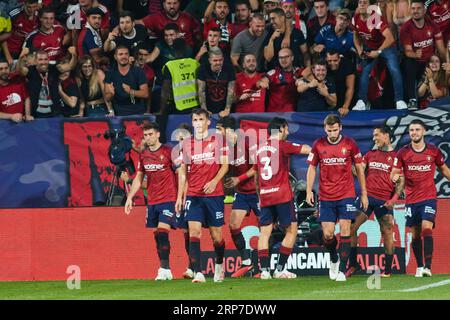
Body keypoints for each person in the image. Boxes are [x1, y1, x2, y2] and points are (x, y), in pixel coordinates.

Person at [306, 114, 368, 282]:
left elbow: (360, 169)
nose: (332, 133)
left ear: (340, 127)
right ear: (325, 129)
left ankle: (341, 270)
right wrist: (308, 191)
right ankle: (334, 258)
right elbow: (312, 168)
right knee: (328, 235)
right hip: (326, 196)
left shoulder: (350, 144)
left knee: (346, 231)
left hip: (346, 195)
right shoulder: (318, 144)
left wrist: (363, 193)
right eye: (329, 130)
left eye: (335, 130)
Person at [175, 108, 229, 283]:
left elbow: (225, 166)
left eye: (201, 119)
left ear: (208, 122)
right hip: (193, 194)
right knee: (194, 232)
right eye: (195, 120)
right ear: (192, 123)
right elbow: (182, 172)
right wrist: (179, 197)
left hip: (214, 194)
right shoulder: (186, 144)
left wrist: (214, 181)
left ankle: (219, 265)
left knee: (216, 236)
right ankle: (198, 272)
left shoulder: (218, 140)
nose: (198, 123)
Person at [253, 117, 311, 279]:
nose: (288, 132)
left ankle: (264, 271)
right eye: (286, 129)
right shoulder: (283, 145)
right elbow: (307, 149)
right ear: (280, 129)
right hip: (282, 195)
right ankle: (280, 269)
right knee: (291, 230)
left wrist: (260, 196)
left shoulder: (258, 149)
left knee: (264, 233)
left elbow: (256, 177)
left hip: (265, 196)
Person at [391, 119, 450, 277]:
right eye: (411, 130)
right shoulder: (403, 152)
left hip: (429, 197)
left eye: (417, 129)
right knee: (416, 234)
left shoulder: (433, 151)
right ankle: (419, 266)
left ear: (423, 131)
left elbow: (444, 170)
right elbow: (394, 173)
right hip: (411, 200)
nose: (414, 132)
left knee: (426, 228)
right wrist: (396, 178)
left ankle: (428, 267)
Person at [345, 125, 404, 278]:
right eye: (373, 136)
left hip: (384, 201)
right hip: (367, 198)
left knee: (387, 233)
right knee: (351, 228)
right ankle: (353, 264)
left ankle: (388, 270)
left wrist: (394, 199)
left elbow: (401, 181)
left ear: (386, 136)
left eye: (377, 135)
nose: (374, 138)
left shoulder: (397, 157)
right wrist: (349, 162)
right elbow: (359, 171)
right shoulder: (370, 154)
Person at [125, 122, 178, 281]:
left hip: (169, 198)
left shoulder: (169, 151)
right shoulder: (143, 155)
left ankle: (164, 269)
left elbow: (180, 172)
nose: (148, 138)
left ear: (158, 134)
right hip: (152, 201)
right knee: (157, 235)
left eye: (150, 134)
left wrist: (181, 196)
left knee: (162, 232)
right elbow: (139, 177)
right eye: (145, 136)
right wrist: (130, 197)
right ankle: (165, 268)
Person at [217, 116, 261, 278]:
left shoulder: (247, 143)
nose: (217, 133)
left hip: (256, 192)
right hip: (242, 193)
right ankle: (247, 261)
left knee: (267, 227)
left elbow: (256, 168)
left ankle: (263, 266)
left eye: (219, 129)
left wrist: (238, 179)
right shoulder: (224, 148)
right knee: (233, 225)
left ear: (229, 130)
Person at [352, 0, 407, 110]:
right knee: (365, 71)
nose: (362, 4)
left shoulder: (375, 18)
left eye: (365, 3)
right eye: (360, 2)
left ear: (370, 6)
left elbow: (390, 38)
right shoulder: (355, 18)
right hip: (370, 47)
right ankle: (361, 101)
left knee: (394, 69)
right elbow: (356, 35)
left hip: (386, 47)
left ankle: (399, 101)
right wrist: (359, 50)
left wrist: (378, 52)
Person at [400, 0, 446, 110]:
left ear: (424, 10)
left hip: (429, 61)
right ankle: (412, 100)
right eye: (413, 8)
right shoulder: (406, 28)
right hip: (415, 61)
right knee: (408, 63)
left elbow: (441, 48)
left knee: (442, 65)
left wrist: (446, 63)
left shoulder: (432, 25)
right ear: (410, 10)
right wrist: (415, 55)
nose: (416, 11)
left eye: (419, 8)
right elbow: (407, 51)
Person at [17, 47, 77, 118]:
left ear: (48, 60)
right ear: (36, 61)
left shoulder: (54, 69)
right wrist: (21, 57)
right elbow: (20, 70)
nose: (43, 62)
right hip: (36, 115)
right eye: (40, 59)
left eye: (45, 59)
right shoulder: (31, 71)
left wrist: (74, 55)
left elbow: (70, 67)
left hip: (55, 113)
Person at [104, 45, 149, 116]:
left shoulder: (138, 71)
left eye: (126, 54)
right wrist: (111, 94)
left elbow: (145, 94)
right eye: (120, 54)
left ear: (129, 56)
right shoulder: (110, 73)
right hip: (119, 114)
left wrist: (131, 91)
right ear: (115, 57)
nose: (124, 57)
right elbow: (107, 98)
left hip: (137, 113)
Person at [261, 48, 303, 112]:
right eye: (280, 57)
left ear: (292, 58)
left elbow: (310, 70)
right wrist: (263, 82)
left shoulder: (298, 71)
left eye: (286, 57)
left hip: (290, 115)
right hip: (272, 114)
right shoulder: (274, 72)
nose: (283, 60)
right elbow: (264, 79)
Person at [197, 47, 236, 117]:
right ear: (209, 60)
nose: (218, 63)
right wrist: (204, 110)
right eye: (215, 60)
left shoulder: (229, 69)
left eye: (220, 60)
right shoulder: (203, 69)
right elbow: (201, 91)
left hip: (224, 109)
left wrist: (227, 109)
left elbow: (231, 91)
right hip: (208, 108)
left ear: (223, 59)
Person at [0, 0, 39, 67]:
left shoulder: (39, 17)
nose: (31, 10)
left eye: (34, 7)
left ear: (37, 5)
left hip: (25, 53)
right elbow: (4, 35)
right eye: (29, 7)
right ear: (24, 4)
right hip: (10, 51)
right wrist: (8, 56)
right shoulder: (14, 14)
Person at [325, 50, 355, 117]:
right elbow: (307, 71)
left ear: (339, 59)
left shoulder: (348, 64)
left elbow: (350, 88)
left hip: (345, 93)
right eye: (329, 61)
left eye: (335, 60)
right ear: (326, 59)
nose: (332, 63)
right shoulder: (323, 64)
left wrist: (345, 107)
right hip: (331, 94)